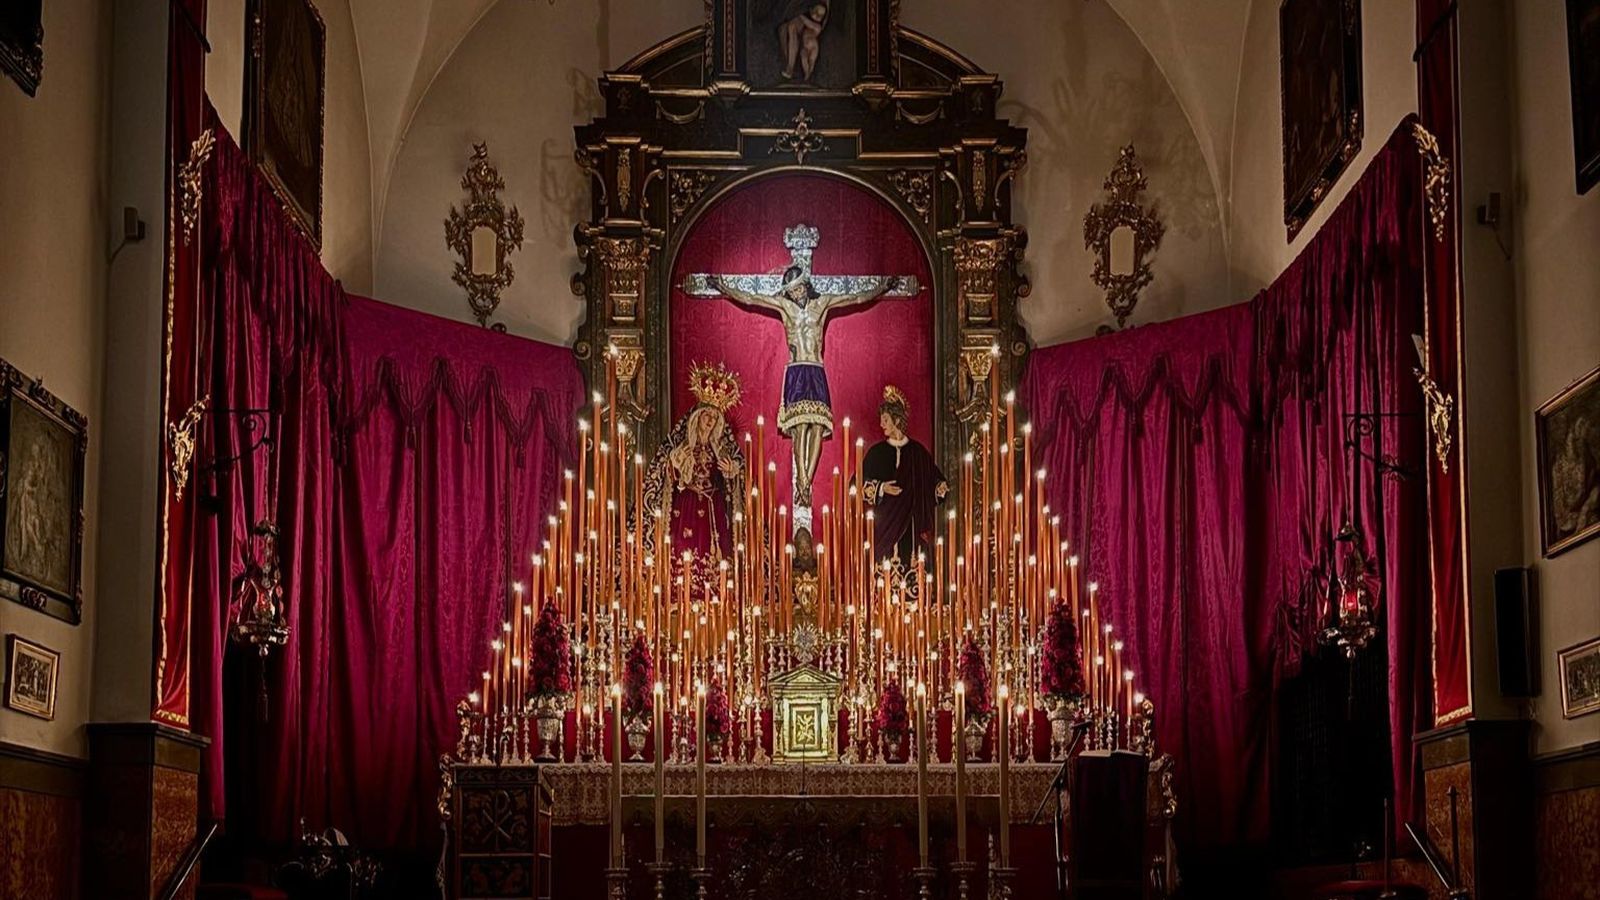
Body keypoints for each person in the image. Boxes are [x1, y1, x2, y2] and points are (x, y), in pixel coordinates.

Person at [707, 267, 897, 518]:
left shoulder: (823, 303)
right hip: (796, 372)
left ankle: (805, 482)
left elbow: (856, 297)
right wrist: (723, 287)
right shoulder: (785, 307)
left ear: (805, 285)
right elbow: (752, 298)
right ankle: (803, 483)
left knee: (818, 427)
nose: (795, 294)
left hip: (816, 370)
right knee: (799, 429)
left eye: (797, 288)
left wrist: (882, 287)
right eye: (791, 291)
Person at [640, 362, 746, 562]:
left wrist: (732, 471)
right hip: (687, 504)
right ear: (697, 417)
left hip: (714, 504)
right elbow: (665, 476)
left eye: (714, 418)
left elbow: (734, 485)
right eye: (706, 416)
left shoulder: (721, 449)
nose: (710, 421)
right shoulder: (683, 446)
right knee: (685, 552)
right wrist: (675, 463)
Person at [861, 385, 947, 565]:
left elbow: (934, 482)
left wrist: (939, 488)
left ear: (897, 420)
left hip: (912, 531)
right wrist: (881, 488)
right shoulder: (876, 453)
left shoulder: (918, 453)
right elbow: (856, 484)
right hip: (885, 528)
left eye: (885, 420)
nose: (882, 424)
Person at [779, 1, 828, 83]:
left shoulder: (817, 27)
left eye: (820, 16)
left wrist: (799, 14)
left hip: (809, 45)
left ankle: (806, 74)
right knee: (790, 27)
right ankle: (790, 67)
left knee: (809, 60)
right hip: (802, 12)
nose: (817, 16)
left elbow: (808, 22)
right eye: (816, 13)